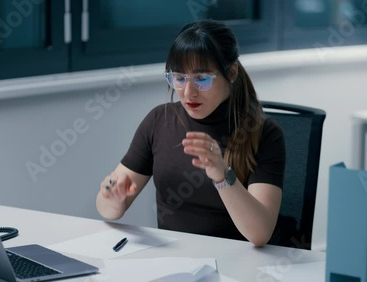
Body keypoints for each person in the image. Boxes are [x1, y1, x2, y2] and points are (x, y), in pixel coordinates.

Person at [96, 19, 286, 247]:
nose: (188, 92)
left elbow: (260, 234)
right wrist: (115, 199)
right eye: (179, 78)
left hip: (237, 265)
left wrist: (222, 175)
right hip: (174, 263)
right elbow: (108, 209)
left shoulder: (263, 133)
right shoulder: (159, 121)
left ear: (232, 71)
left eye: (201, 79)